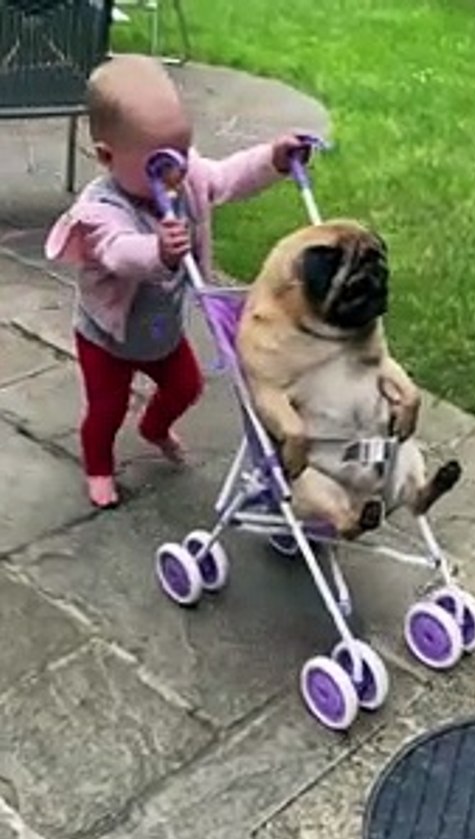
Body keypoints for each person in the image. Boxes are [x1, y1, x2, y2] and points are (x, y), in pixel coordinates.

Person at [45, 53, 309, 507]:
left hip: (161, 329)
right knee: (106, 409)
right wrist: (158, 252)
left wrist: (273, 160)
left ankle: (154, 427)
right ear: (107, 156)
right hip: (108, 337)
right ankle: (99, 466)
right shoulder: (100, 209)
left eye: (183, 152)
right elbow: (117, 251)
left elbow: (228, 177)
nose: (177, 171)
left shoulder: (184, 178)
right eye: (160, 161)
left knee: (186, 386)